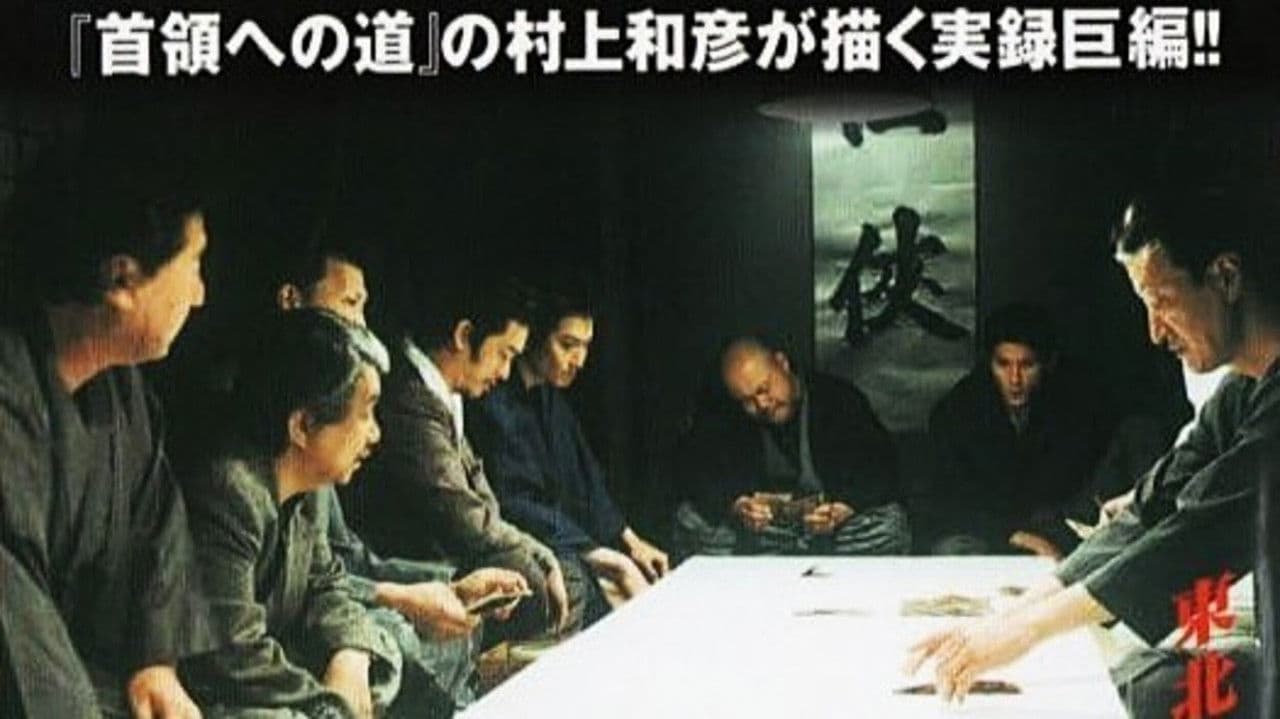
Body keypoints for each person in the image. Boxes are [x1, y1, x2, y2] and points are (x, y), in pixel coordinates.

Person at [905, 186, 1277, 717]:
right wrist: (1009, 619)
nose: (1155, 333)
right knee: (1135, 682)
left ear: (1226, 277)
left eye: (1162, 302)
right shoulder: (1245, 389)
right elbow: (1152, 507)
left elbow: (1194, 537)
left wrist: (1026, 632)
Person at [0, 154, 215, 717]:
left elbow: (156, 527)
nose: (199, 295)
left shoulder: (122, 390)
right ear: (122, 279)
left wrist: (154, 660)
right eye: (194, 264)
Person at [274, 246, 528, 713]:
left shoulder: (318, 450)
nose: (361, 324)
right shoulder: (257, 456)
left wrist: (448, 586)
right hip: (280, 656)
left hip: (328, 617)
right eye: (350, 304)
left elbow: (337, 564)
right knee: (393, 636)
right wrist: (366, 634)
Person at [183, 309, 410, 718]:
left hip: (273, 673)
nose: (375, 433)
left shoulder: (310, 488)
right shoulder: (229, 492)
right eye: (365, 414)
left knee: (386, 639)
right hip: (213, 694)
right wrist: (330, 702)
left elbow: (327, 584)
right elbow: (231, 653)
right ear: (302, 426)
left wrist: (351, 653)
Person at [344, 282, 587, 640]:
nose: (505, 373)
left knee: (561, 575)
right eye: (504, 354)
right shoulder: (410, 398)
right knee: (541, 583)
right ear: (463, 335)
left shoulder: (444, 395)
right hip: (418, 560)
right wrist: (536, 555)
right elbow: (461, 515)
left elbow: (482, 503)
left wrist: (536, 553)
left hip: (454, 552)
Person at [470, 288, 668, 609]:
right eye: (567, 345)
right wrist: (599, 554)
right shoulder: (495, 401)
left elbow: (588, 481)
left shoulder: (552, 400)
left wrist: (630, 541)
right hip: (525, 545)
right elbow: (517, 502)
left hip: (566, 539)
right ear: (534, 337)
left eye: (585, 346)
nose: (580, 361)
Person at [675, 336, 910, 557]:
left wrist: (842, 509)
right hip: (767, 532)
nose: (762, 404)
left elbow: (880, 469)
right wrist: (739, 506)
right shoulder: (728, 416)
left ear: (782, 364)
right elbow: (702, 473)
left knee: (889, 523)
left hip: (833, 530)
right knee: (691, 520)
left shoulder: (839, 399)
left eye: (764, 389)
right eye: (748, 400)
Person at [923, 303, 1115, 557]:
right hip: (980, 529)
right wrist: (1018, 536)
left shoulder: (1071, 408)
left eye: (1027, 365)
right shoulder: (957, 411)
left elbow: (1076, 488)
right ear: (989, 364)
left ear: (1047, 363)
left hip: (1050, 524)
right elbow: (949, 502)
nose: (1015, 379)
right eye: (1003, 364)